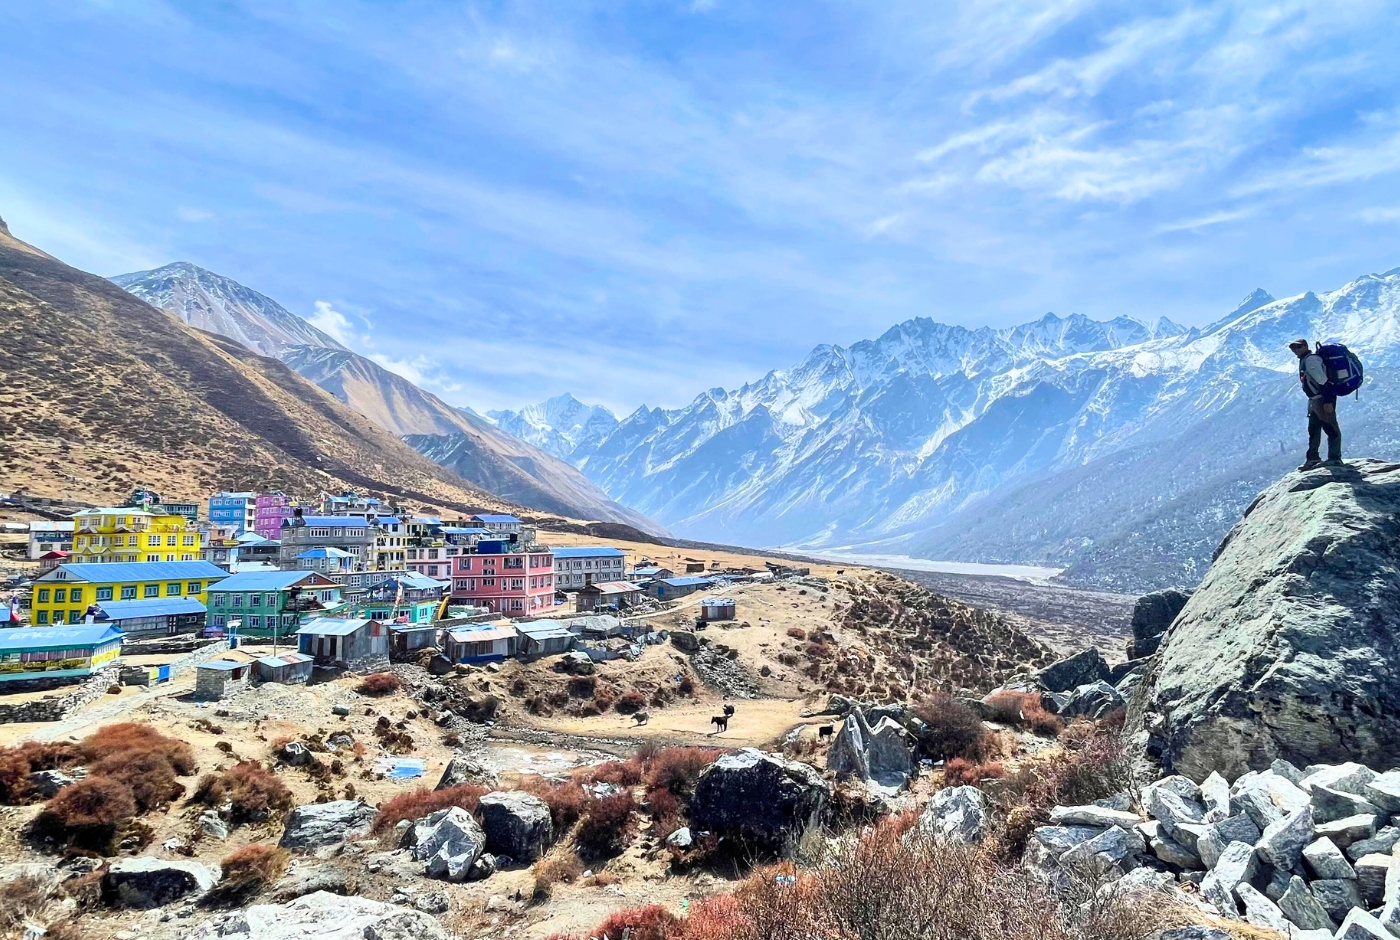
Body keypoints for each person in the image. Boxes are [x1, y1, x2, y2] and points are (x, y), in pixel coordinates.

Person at [1289, 339, 1342, 470]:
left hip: (1321, 399)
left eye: (1299, 346)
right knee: (1313, 429)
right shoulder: (1305, 360)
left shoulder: (1311, 360)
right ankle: (1313, 458)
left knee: (1331, 428)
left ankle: (1335, 458)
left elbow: (1323, 382)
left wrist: (1328, 401)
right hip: (1314, 400)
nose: (1296, 350)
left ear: (1306, 346)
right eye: (1293, 348)